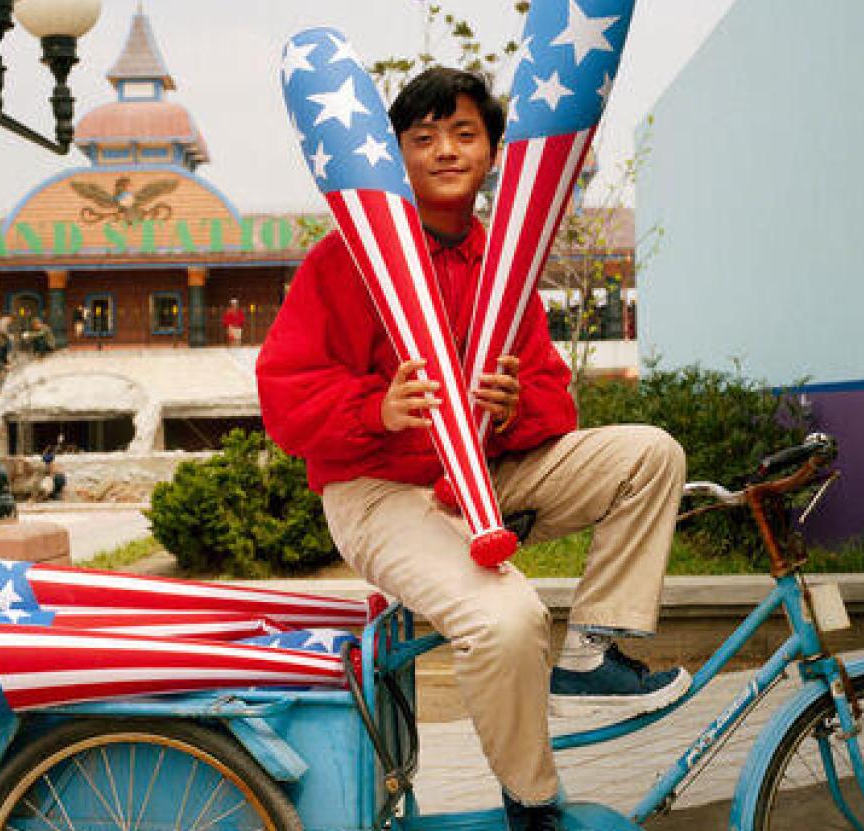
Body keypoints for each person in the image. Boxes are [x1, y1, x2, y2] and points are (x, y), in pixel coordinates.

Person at [256, 68, 687, 831]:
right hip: (379, 491)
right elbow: (285, 399)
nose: (445, 150)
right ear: (392, 156)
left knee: (649, 452)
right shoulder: (344, 260)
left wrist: (516, 407)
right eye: (421, 138)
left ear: (494, 152)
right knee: (509, 619)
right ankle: (530, 801)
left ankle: (591, 653)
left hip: (487, 473)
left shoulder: (506, 266)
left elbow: (556, 399)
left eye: (464, 133)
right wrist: (376, 408)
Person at [40, 435, 66, 501]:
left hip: (49, 477)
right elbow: (55, 451)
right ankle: (52, 495)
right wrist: (59, 443)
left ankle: (51, 495)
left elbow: (54, 451)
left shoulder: (45, 458)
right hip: (49, 477)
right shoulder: (48, 458)